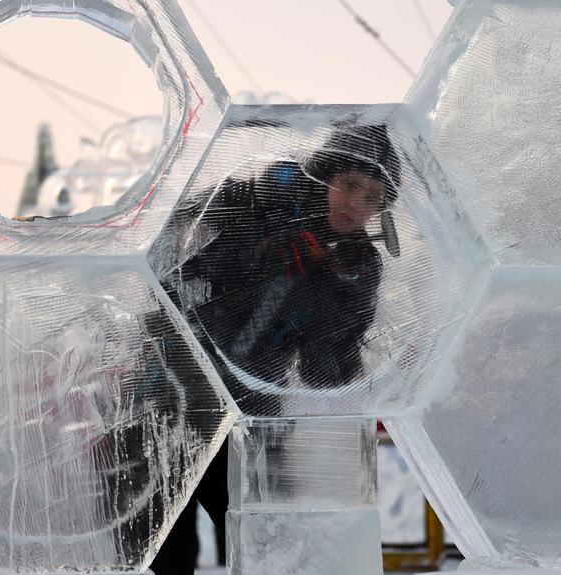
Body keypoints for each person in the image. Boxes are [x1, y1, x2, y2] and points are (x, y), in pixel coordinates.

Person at [148, 123, 402, 574]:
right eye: (351, 186)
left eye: (373, 197)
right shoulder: (248, 204)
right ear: (325, 176)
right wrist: (262, 256)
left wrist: (339, 303)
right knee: (164, 548)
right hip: (172, 399)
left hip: (253, 415)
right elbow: (164, 271)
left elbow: (325, 376)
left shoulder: (357, 264)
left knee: (273, 548)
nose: (356, 205)